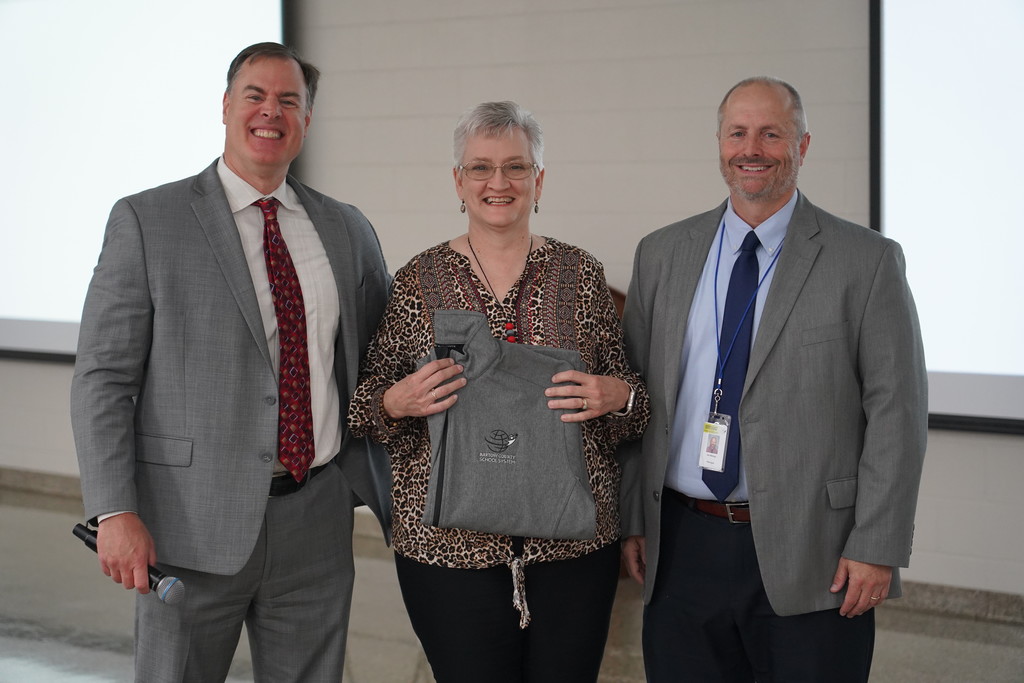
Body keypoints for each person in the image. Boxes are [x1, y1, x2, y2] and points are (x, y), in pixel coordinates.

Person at [69, 42, 391, 682]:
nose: (271, 112)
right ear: (224, 107)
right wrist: (114, 509)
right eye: (256, 96)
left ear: (307, 119)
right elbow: (103, 379)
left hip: (317, 520)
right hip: (186, 526)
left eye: (289, 101)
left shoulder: (347, 229)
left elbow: (382, 358)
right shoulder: (147, 220)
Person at [619, 77, 928, 682]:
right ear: (719, 143)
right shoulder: (661, 254)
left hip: (817, 551)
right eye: (738, 132)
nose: (751, 147)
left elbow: (898, 410)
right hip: (681, 546)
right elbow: (637, 398)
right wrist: (634, 517)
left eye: (771, 133)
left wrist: (878, 543)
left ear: (803, 145)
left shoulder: (865, 261)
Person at [347, 100, 649, 683]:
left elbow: (636, 407)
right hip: (447, 553)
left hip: (571, 551)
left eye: (516, 166)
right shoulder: (418, 280)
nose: (499, 182)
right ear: (458, 182)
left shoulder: (581, 275)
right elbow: (364, 408)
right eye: (481, 167)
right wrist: (396, 401)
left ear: (540, 180)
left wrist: (619, 396)